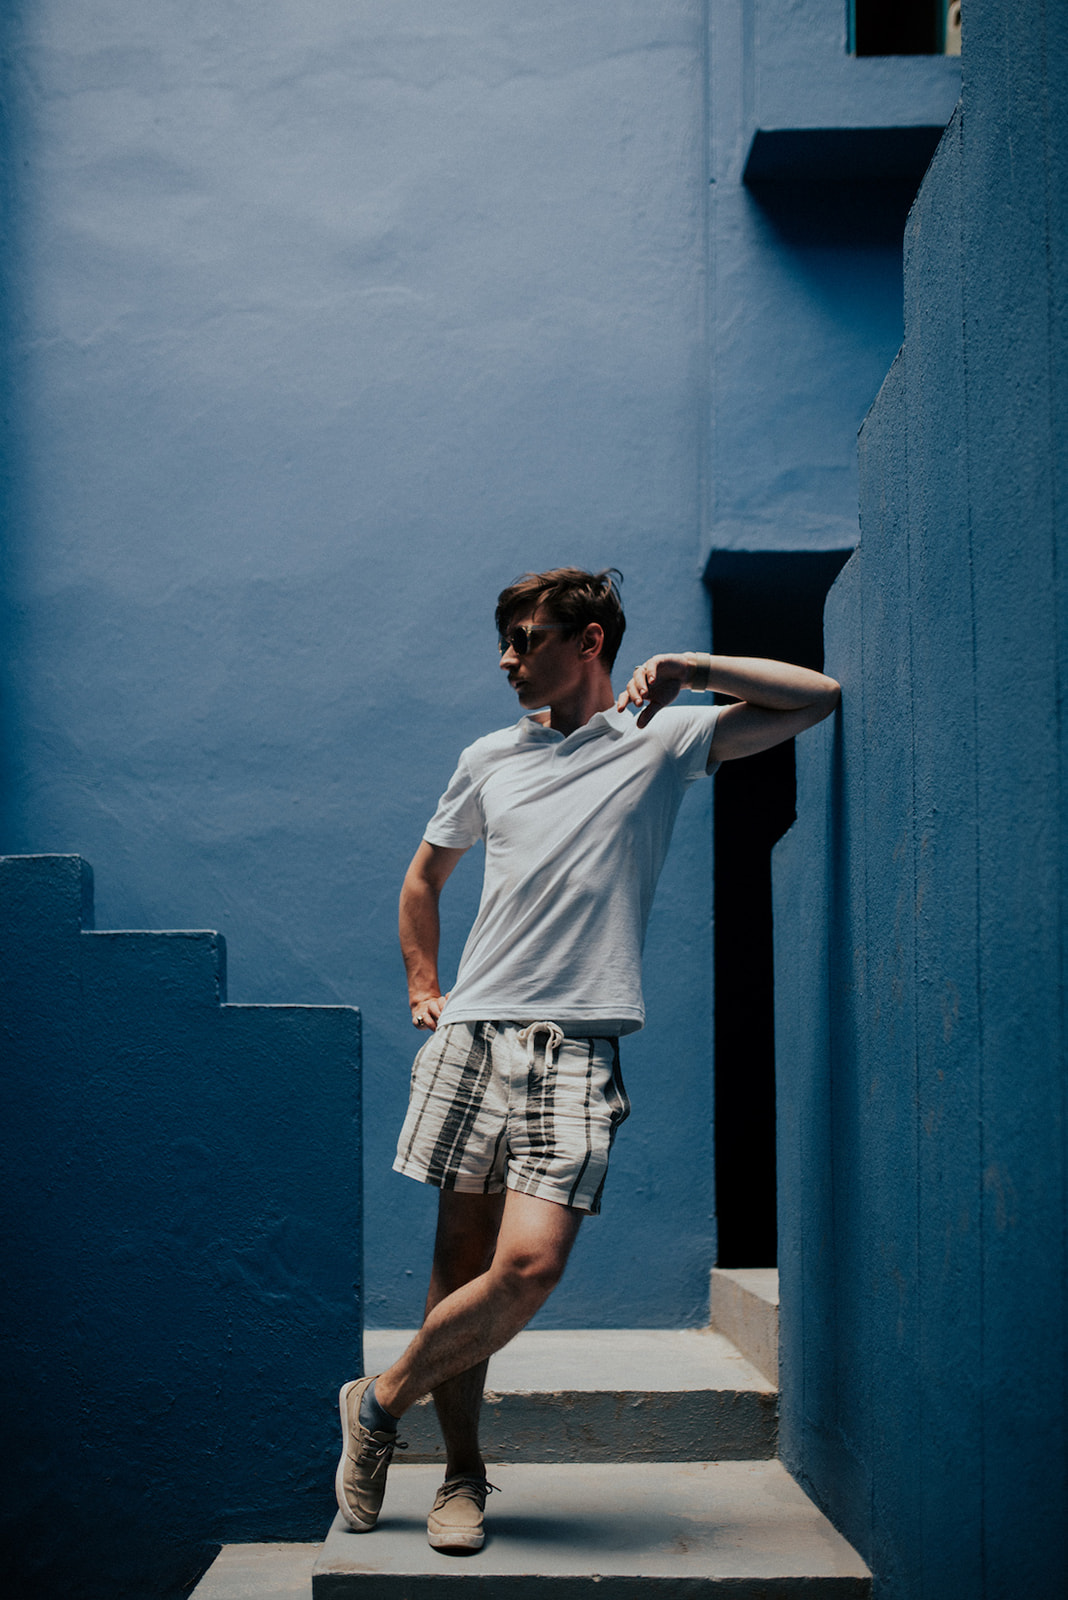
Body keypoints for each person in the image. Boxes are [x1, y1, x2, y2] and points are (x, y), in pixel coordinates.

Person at [335, 567, 839, 1553]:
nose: (507, 659)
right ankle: (461, 1475)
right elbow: (423, 878)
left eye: (526, 638)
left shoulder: (662, 741)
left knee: (527, 1266)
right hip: (476, 1035)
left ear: (590, 640)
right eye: (505, 641)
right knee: (458, 1265)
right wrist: (425, 987)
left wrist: (691, 665)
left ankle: (379, 1400)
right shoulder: (489, 756)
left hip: (578, 1045)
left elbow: (815, 698)